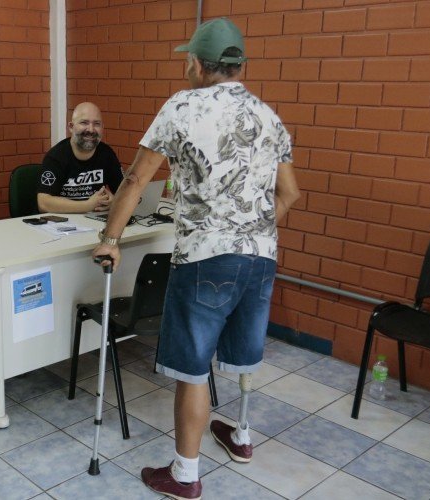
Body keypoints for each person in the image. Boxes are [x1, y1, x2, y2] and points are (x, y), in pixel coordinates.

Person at [92, 18, 300, 500]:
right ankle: (241, 436)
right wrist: (252, 230)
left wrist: (111, 238)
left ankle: (184, 475)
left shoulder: (181, 106)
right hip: (261, 257)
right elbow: (289, 192)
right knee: (243, 351)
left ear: (197, 65)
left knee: (193, 367)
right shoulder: (268, 116)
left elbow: (137, 181)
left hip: (206, 258)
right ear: (240, 64)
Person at [36, 102, 124, 213]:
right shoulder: (56, 157)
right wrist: (87, 205)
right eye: (84, 123)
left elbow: (125, 192)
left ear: (102, 127)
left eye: (96, 124)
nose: (91, 130)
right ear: (71, 127)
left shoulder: (107, 154)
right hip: (61, 224)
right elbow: (43, 203)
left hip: (94, 221)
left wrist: (114, 201)